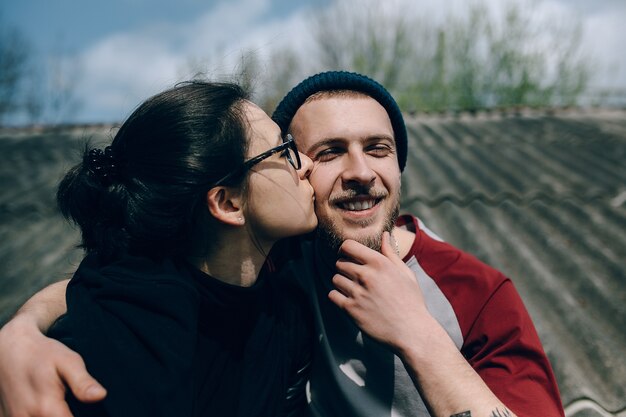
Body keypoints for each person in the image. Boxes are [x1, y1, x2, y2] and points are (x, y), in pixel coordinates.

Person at [0, 72, 565, 417]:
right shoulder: (279, 262)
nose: (360, 172)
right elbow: (124, 283)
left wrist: (417, 333)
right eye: (321, 154)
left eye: (379, 148)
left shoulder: (477, 294)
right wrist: (20, 332)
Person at [0, 80, 319, 417]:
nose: (306, 164)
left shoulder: (282, 303)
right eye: (283, 151)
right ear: (228, 203)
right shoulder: (113, 349)